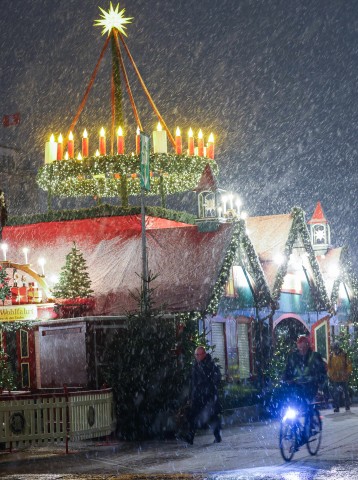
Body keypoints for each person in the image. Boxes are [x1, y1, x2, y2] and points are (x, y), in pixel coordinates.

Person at [185, 346, 222, 445]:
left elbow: (216, 378)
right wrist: (190, 396)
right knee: (193, 416)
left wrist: (208, 388)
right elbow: (192, 383)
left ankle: (217, 436)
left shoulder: (210, 365)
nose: (196, 356)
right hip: (197, 396)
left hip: (208, 396)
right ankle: (190, 437)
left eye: (198, 354)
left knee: (212, 416)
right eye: (195, 355)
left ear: (203, 354)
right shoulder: (195, 366)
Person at [327, 342, 352, 412]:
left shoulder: (344, 354)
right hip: (335, 378)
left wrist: (348, 372)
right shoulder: (331, 356)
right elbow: (329, 366)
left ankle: (347, 406)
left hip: (343, 377)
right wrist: (330, 374)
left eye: (336, 348)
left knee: (345, 392)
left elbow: (348, 364)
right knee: (336, 393)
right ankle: (337, 407)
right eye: (334, 349)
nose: (335, 350)